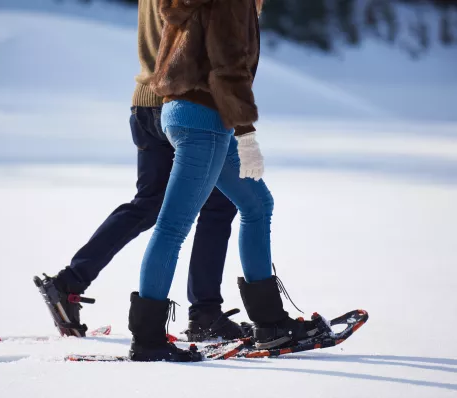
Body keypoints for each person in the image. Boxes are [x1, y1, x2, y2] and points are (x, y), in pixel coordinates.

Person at [34, 0, 249, 342]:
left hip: (144, 103)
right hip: (183, 103)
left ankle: (70, 282)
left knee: (148, 203)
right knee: (218, 203)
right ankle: (205, 313)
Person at [126, 0, 325, 362]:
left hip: (184, 111)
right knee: (172, 227)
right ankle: (148, 340)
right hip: (204, 119)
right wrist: (246, 135)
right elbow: (228, 67)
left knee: (257, 204)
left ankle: (270, 323)